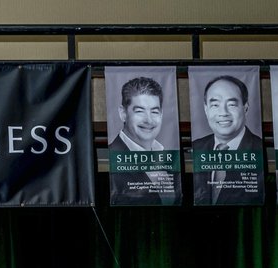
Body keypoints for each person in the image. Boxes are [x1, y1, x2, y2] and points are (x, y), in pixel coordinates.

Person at [191, 75, 264, 205]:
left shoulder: (260, 150)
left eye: (231, 104)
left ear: (245, 108)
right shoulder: (196, 148)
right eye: (215, 105)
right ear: (206, 109)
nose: (223, 112)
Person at [108, 76, 181, 206]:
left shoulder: (169, 157)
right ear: (123, 113)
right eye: (140, 111)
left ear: (162, 114)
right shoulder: (109, 160)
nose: (149, 120)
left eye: (154, 111)